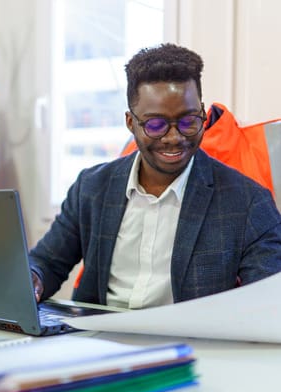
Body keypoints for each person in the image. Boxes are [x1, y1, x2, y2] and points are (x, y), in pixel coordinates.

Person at [29, 43, 281, 309]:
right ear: (130, 122)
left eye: (189, 121)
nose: (174, 138)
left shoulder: (248, 202)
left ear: (203, 114)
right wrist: (32, 280)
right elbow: (46, 262)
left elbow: (265, 304)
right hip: (99, 340)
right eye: (156, 125)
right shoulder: (92, 188)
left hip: (191, 344)